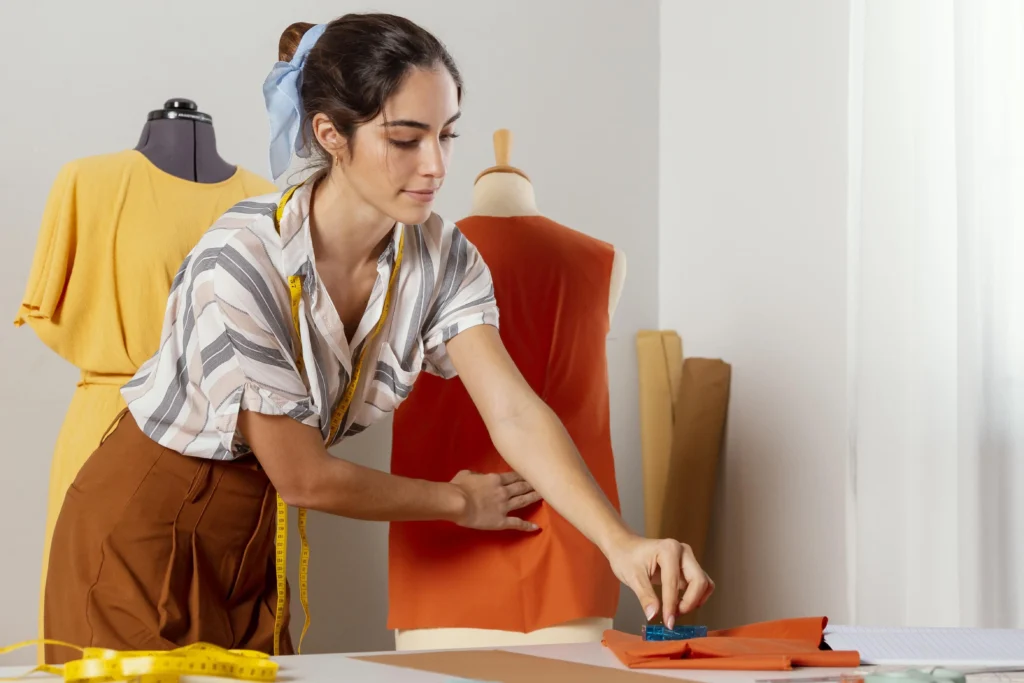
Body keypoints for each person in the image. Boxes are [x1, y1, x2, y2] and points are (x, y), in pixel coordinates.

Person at [42, 12, 714, 663]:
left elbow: (511, 408)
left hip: (250, 532)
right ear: (331, 134)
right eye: (405, 139)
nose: (435, 166)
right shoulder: (242, 261)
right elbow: (304, 476)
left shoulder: (441, 255)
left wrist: (622, 543)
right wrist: (460, 501)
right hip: (142, 523)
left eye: (446, 135)